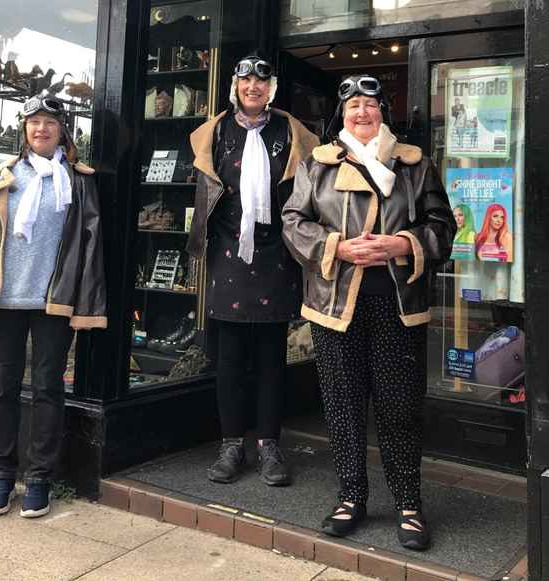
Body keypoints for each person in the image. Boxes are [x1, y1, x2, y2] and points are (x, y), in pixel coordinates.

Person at [282, 75, 456, 550]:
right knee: (342, 406)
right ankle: (351, 497)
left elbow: (442, 225)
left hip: (398, 305)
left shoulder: (414, 164)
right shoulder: (317, 164)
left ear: (383, 112)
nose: (363, 113)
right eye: (354, 105)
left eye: (371, 105)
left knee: (400, 409)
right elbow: (294, 222)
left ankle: (408, 504)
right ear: (343, 114)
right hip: (335, 307)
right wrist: (336, 248)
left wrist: (403, 243)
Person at [0, 91, 106, 518]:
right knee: (1, 389)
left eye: (50, 123)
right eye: (34, 122)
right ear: (24, 130)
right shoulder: (1, 177)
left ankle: (39, 477)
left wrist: (86, 304)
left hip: (52, 302)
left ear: (62, 130)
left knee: (47, 389)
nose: (41, 129)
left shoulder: (79, 181)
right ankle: (1, 475)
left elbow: (91, 249)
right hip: (5, 301)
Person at [186, 54, 318, 486]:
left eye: (261, 82)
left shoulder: (290, 131)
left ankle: (269, 446)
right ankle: (230, 444)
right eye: (246, 81)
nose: (253, 88)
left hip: (276, 253)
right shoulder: (217, 131)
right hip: (228, 252)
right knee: (229, 359)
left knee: (269, 360)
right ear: (235, 87)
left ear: (271, 88)